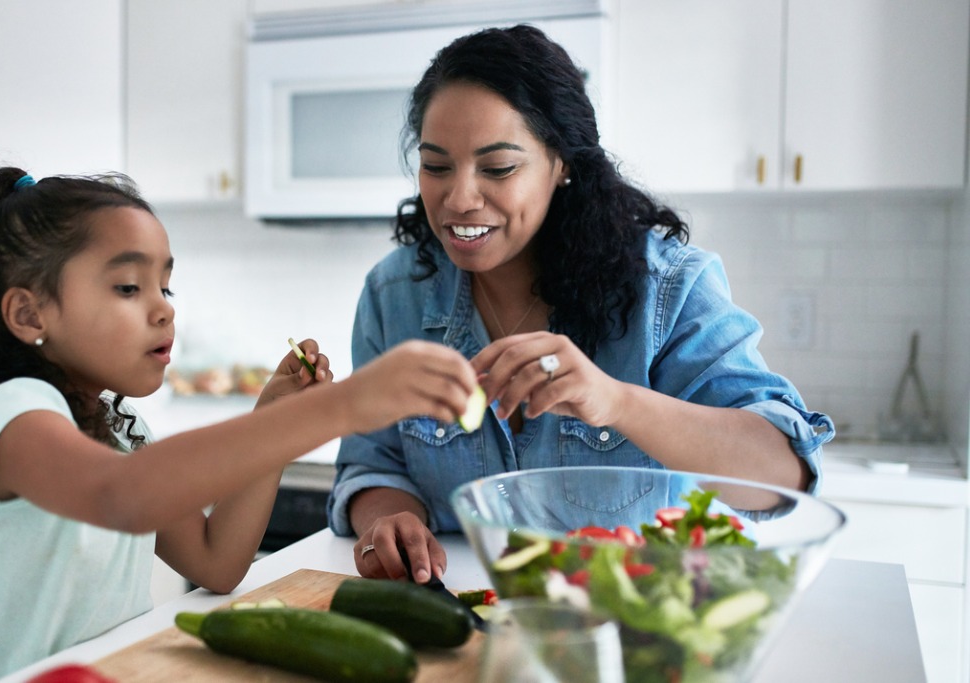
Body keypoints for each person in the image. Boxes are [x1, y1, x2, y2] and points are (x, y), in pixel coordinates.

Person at [0, 167, 479, 683]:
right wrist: (340, 406)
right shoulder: (15, 414)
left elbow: (217, 563)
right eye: (128, 286)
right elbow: (121, 496)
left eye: (165, 284)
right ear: (29, 313)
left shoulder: (123, 433)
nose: (164, 306)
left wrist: (272, 419)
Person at [327, 25, 835, 585]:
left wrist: (616, 401)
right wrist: (391, 516)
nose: (459, 199)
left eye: (498, 168)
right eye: (436, 166)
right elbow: (372, 462)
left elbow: (781, 475)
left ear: (562, 163)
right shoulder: (392, 295)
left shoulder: (667, 288)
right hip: (458, 624)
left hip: (631, 629)